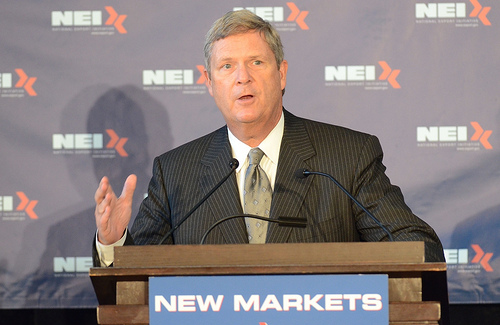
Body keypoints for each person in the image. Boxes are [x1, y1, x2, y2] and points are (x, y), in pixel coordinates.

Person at [93, 10, 445, 267]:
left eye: (256, 62)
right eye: (227, 66)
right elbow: (132, 282)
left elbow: (421, 251)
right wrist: (113, 242)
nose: (242, 77)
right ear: (210, 83)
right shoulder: (176, 173)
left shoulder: (348, 157)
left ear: (281, 73)